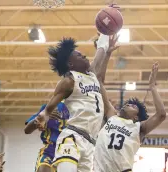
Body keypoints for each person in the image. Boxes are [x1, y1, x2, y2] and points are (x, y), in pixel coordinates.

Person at [39, 31, 119, 172]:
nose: (83, 55)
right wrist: (44, 116)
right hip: (72, 138)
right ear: (70, 64)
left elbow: (100, 49)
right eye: (78, 55)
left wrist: (106, 31)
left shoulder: (92, 74)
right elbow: (50, 106)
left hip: (90, 143)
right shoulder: (69, 81)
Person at [94, 62, 166, 172]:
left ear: (136, 117)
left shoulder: (138, 128)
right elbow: (99, 82)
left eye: (133, 106)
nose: (127, 105)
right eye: (127, 104)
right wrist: (107, 52)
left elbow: (161, 115)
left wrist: (152, 86)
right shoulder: (112, 116)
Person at [24, 102, 70, 172]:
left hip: (72, 150)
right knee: (43, 168)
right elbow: (27, 130)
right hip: (50, 150)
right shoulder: (51, 107)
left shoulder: (83, 107)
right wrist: (40, 118)